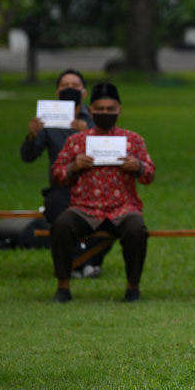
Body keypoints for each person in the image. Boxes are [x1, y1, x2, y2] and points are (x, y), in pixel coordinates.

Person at [49, 82, 155, 303]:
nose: (105, 113)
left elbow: (149, 175)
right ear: (91, 109)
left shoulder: (133, 140)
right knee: (62, 226)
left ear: (119, 110)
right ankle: (63, 287)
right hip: (84, 208)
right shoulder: (76, 141)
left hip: (123, 208)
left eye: (110, 109)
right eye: (100, 109)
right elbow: (57, 175)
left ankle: (132, 287)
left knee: (136, 230)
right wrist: (73, 167)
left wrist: (138, 166)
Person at [18, 69, 109, 274]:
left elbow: (108, 153)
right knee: (60, 218)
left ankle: (82, 263)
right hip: (62, 188)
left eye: (75, 86)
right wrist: (32, 136)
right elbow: (28, 157)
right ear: (57, 93)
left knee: (114, 219)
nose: (70, 90)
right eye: (65, 86)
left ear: (84, 92)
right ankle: (84, 264)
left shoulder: (97, 118)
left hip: (94, 188)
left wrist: (86, 133)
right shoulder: (48, 121)